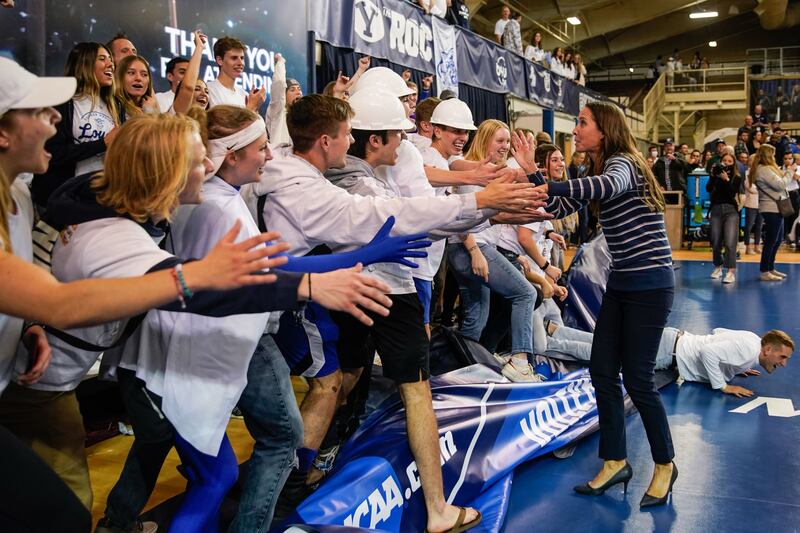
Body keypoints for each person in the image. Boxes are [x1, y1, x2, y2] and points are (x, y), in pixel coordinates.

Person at [0, 57, 294, 533]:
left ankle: (119, 521)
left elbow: (36, 284)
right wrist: (307, 284)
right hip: (43, 383)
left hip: (42, 372)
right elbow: (65, 302)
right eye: (39, 111)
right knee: (65, 511)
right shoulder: (115, 233)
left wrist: (27, 322)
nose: (55, 119)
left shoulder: (21, 195)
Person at [518, 101, 677, 507]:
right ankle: (614, 460)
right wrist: (533, 173)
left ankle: (665, 465)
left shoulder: (624, 163)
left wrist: (547, 182)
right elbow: (556, 208)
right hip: (622, 283)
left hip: (650, 285)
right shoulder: (597, 169)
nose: (576, 129)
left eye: (582, 123)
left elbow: (605, 188)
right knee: (604, 371)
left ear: (604, 130)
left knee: (638, 378)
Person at [446, 119, 542, 382]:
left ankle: (470, 365)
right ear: (485, 140)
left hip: (472, 247)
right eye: (500, 141)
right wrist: (475, 250)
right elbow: (460, 216)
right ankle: (520, 361)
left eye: (507, 142)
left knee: (478, 312)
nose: (505, 146)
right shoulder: (472, 171)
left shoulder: (489, 171)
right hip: (470, 247)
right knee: (525, 293)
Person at [544, 324, 794, 397]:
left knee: (608, 344)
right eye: (781, 357)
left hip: (672, 340)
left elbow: (718, 333)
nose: (783, 363)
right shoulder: (750, 351)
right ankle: (550, 345)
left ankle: (557, 330)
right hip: (666, 351)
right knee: (609, 357)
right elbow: (708, 353)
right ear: (768, 349)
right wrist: (723, 385)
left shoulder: (751, 342)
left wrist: (734, 366)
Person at [31, 42, 123, 208]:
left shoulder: (116, 105)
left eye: (111, 59)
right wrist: (102, 144)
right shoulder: (62, 102)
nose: (111, 64)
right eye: (102, 59)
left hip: (105, 198)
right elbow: (53, 152)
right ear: (84, 64)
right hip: (66, 200)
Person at [752, 144, 791, 280]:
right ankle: (764, 270)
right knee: (771, 240)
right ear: (768, 156)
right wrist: (790, 172)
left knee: (778, 239)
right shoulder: (764, 170)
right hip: (771, 208)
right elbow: (780, 184)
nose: (774, 157)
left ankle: (770, 268)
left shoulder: (766, 169)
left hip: (775, 207)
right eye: (772, 154)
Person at [707, 150, 743, 284]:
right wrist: (713, 176)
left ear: (733, 164)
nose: (726, 163)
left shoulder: (736, 177)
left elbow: (732, 193)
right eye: (724, 160)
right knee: (715, 241)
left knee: (730, 242)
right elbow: (708, 189)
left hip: (730, 211)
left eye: (729, 161)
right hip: (716, 209)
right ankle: (718, 267)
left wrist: (726, 180)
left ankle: (730, 271)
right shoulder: (715, 176)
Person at [206, 36, 265, 111]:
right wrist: (251, 108)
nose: (240, 63)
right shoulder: (209, 90)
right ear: (220, 60)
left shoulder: (245, 95)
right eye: (234, 58)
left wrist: (256, 108)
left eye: (242, 58)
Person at [170, 31, 210, 115]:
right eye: (197, 89)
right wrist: (199, 47)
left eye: (206, 91)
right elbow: (188, 88)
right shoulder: (177, 115)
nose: (204, 94)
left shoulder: (210, 125)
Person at [743, 155, 763, 255]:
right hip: (751, 203)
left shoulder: (760, 173)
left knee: (759, 226)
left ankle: (757, 246)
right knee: (749, 226)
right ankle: (747, 247)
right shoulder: (747, 173)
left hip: (761, 203)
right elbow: (750, 187)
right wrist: (761, 189)